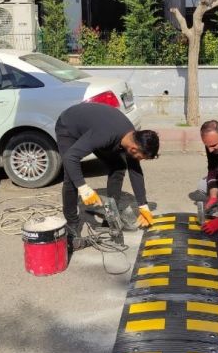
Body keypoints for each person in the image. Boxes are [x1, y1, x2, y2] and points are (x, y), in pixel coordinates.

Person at [54, 102, 160, 249]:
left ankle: (110, 215)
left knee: (118, 166)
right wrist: (83, 188)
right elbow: (70, 158)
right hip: (69, 125)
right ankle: (72, 225)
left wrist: (143, 205)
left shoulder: (130, 137)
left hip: (94, 127)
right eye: (141, 157)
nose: (139, 160)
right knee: (71, 176)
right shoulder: (105, 135)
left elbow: (135, 171)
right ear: (134, 149)